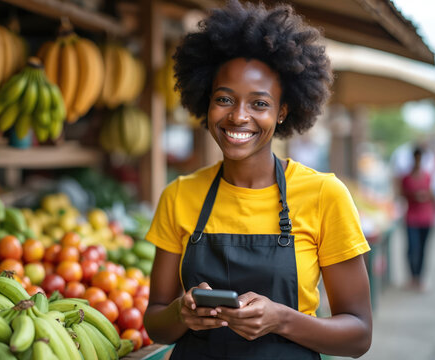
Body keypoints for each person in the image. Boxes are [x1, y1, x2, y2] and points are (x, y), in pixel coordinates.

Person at [143, 1, 372, 359]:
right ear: (206, 101)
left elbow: (358, 335)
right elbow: (155, 322)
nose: (238, 116)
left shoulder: (324, 194)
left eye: (259, 104)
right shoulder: (179, 195)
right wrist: (181, 313)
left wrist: (282, 319)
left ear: (283, 111)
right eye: (224, 99)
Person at [400, 146, 435, 291]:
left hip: (426, 218)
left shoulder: (427, 176)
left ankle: (419, 277)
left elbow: (433, 195)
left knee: (422, 249)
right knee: (412, 248)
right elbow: (402, 193)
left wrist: (426, 196)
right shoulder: (406, 177)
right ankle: (413, 276)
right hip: (412, 218)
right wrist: (414, 195)